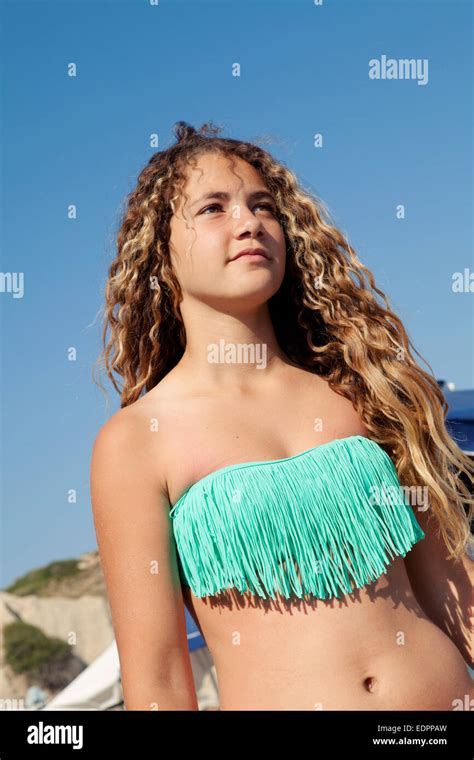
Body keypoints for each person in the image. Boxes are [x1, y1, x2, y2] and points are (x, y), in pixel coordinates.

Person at [90, 121, 474, 711]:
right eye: (213, 208)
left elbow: (449, 584)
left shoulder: (360, 387)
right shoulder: (137, 441)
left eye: (262, 205)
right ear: (159, 252)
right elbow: (160, 680)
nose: (249, 223)